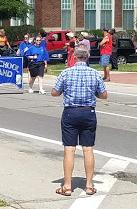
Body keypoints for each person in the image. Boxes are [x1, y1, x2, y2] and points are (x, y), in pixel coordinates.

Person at [51, 45, 107, 196]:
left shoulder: (66, 73)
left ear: (74, 56)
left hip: (70, 112)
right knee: (88, 149)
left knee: (69, 149)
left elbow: (54, 93)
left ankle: (67, 186)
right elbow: (104, 95)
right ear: (88, 56)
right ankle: (89, 185)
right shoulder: (94, 73)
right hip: (88, 112)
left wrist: (65, 90)